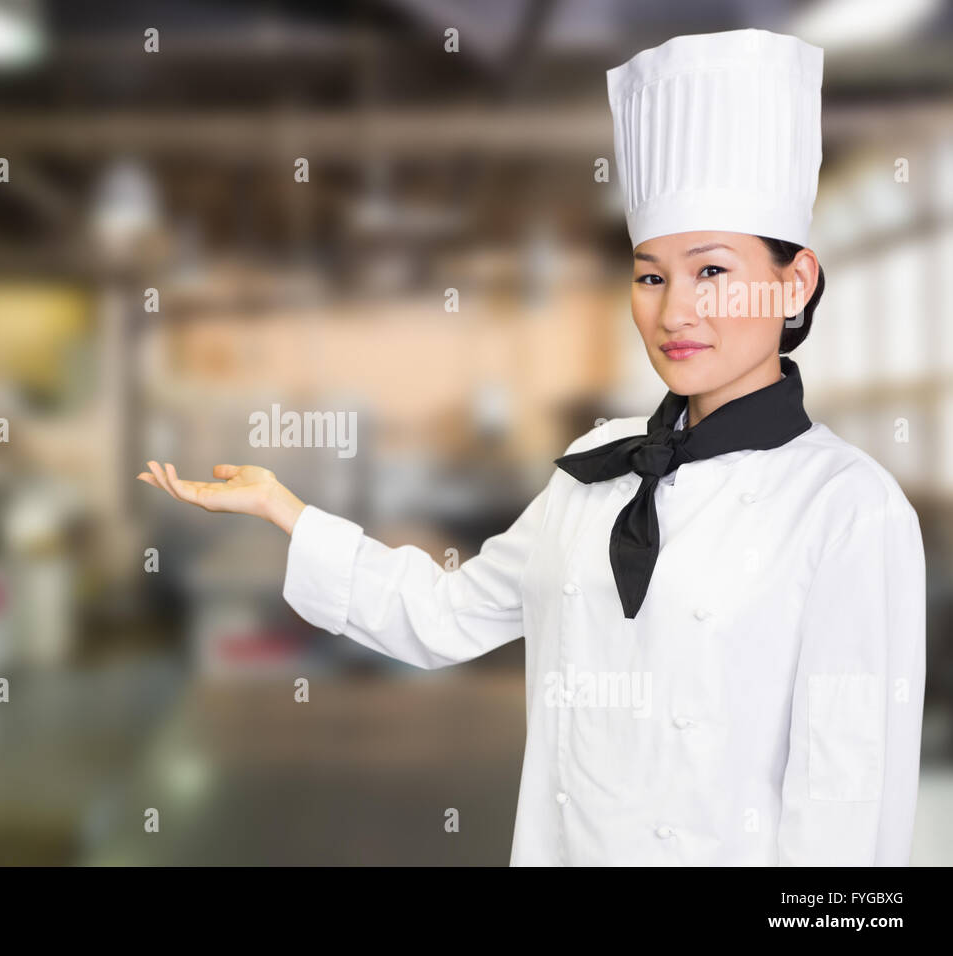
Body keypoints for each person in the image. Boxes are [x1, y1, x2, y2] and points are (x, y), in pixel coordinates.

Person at [136, 28, 926, 866]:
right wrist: (283, 510)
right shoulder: (600, 465)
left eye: (714, 272)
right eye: (650, 274)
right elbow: (443, 616)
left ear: (794, 281)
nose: (674, 312)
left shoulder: (849, 508)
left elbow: (848, 807)